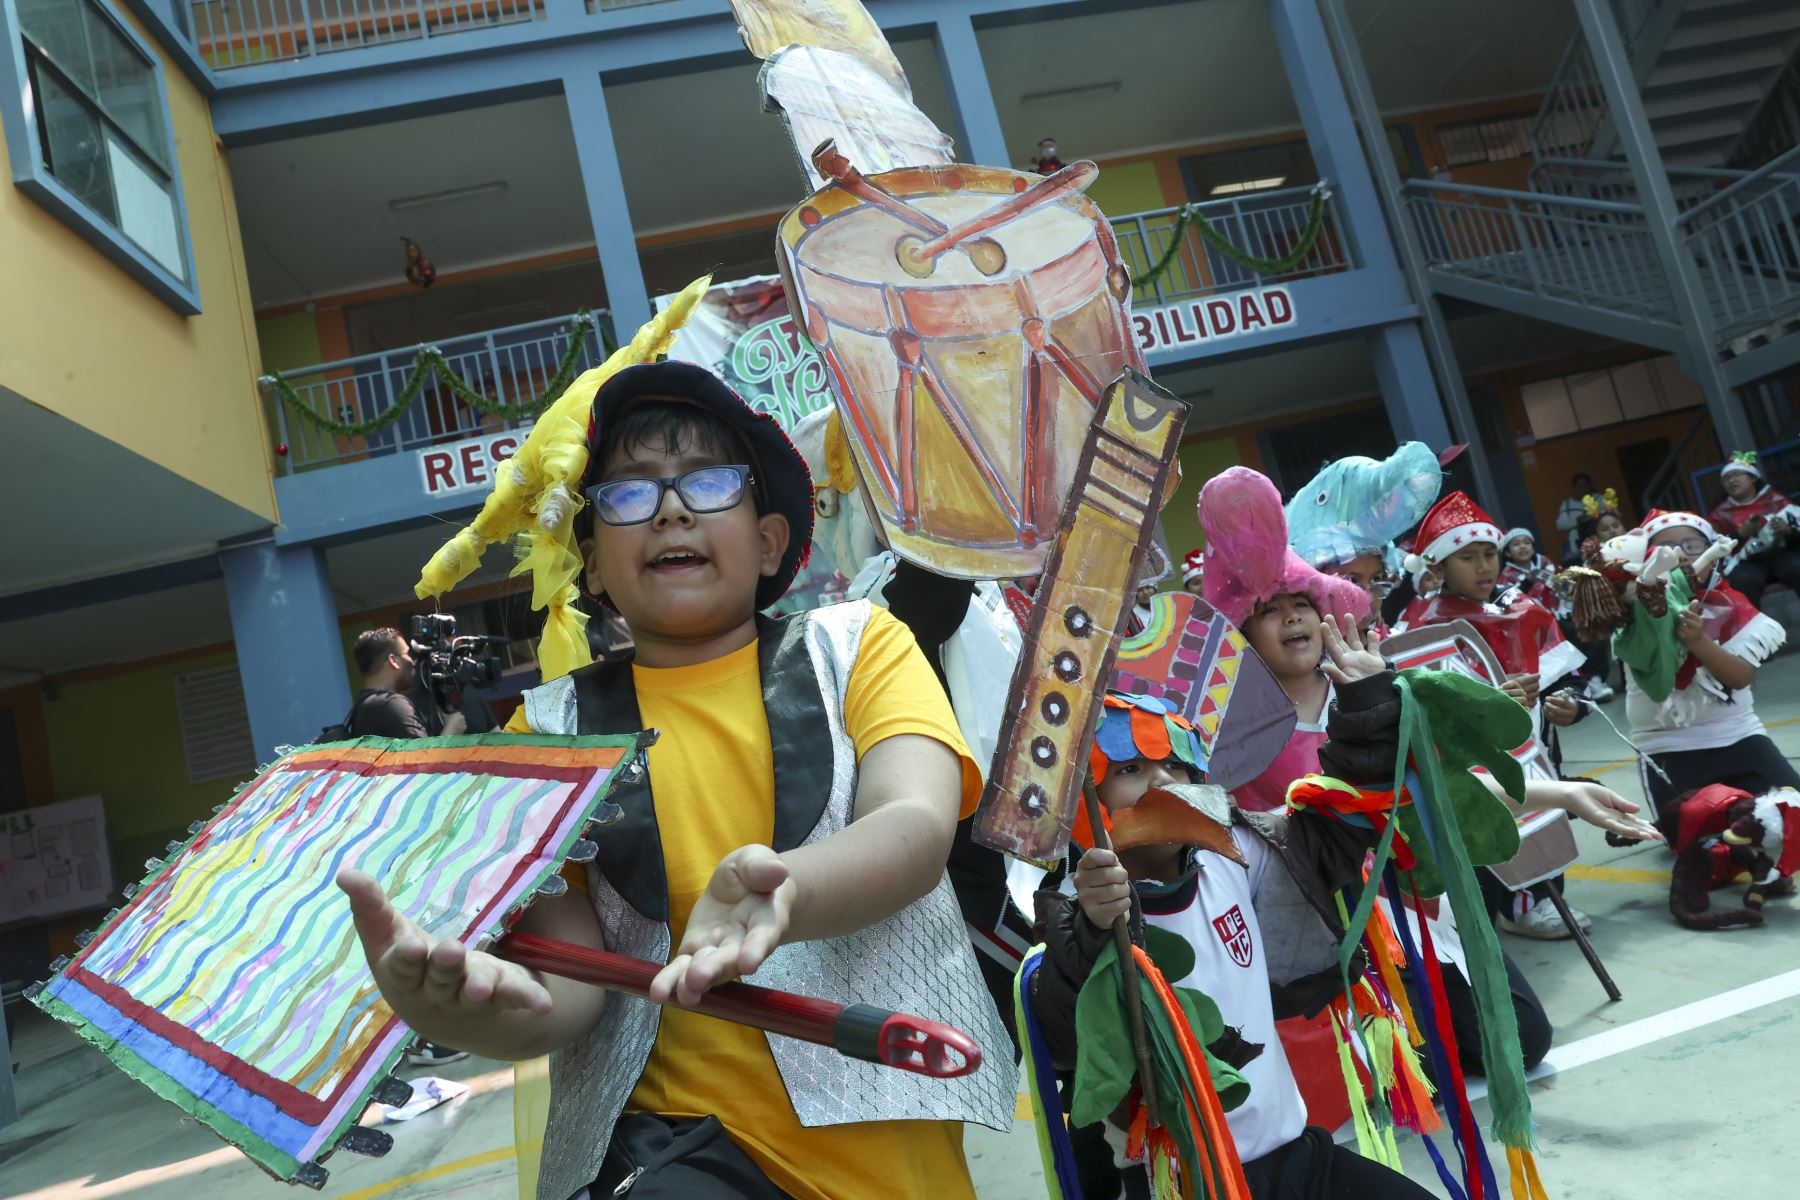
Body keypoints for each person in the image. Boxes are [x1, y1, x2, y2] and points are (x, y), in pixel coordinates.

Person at [338, 361, 1015, 1200]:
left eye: (708, 483)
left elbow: (914, 824)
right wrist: (455, 1010)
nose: (669, 508)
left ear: (769, 540)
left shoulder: (860, 645)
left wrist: (792, 888)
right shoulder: (544, 735)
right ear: (591, 565)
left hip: (895, 1167)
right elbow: (571, 984)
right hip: (669, 1156)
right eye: (628, 494)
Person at [1031, 619, 1440, 1200]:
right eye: (1128, 770)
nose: (1161, 783)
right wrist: (1095, 927)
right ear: (1086, 801)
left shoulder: (1234, 851)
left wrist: (1365, 705)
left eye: (1175, 765)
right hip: (1189, 1182)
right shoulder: (1080, 907)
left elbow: (1341, 831)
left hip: (1296, 1150)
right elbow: (1066, 1034)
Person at [1395, 493, 1595, 939]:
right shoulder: (1419, 626)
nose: (1484, 567)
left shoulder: (1521, 608)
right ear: (1438, 567)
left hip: (1536, 743)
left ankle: (1538, 899)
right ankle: (1506, 905)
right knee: (1487, 822)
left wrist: (1571, 704)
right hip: (1472, 759)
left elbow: (1567, 677)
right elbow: (1425, 701)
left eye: (1490, 554)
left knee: (1543, 811)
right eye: (1468, 557)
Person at [1628, 509, 1800, 837]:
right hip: (1667, 747)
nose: (1679, 555)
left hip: (1738, 737)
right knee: (1699, 839)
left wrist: (1698, 641)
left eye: (1691, 545)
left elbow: (1739, 677)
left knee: (1789, 819)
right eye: (1665, 548)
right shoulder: (1633, 609)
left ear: (1713, 552)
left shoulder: (1731, 603)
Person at [1706, 452, 1800, 607]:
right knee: (1742, 581)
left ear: (1753, 478)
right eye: (1727, 478)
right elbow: (1714, 551)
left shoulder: (1778, 502)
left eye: (1737, 475)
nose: (1732, 481)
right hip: (1747, 563)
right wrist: (1740, 534)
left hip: (1782, 554)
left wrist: (1788, 531)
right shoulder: (1719, 515)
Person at [348, 628, 469, 740]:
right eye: (407, 653)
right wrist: (452, 730)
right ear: (393, 661)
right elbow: (424, 760)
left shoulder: (362, 707)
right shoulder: (391, 704)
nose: (412, 661)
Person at [1556, 472, 1596, 559]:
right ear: (1574, 488)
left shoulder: (1600, 499)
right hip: (1578, 547)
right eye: (1579, 486)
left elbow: (1615, 514)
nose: (1583, 489)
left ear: (1590, 485)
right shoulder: (1567, 504)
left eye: (1585, 485)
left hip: (1600, 539)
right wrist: (1578, 521)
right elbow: (1560, 525)